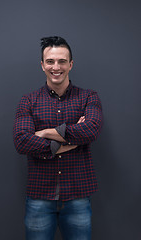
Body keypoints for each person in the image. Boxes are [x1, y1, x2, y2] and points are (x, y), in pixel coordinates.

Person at [13, 36, 103, 240]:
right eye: (50, 61)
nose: (56, 66)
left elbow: (92, 130)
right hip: (39, 196)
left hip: (78, 194)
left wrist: (45, 133)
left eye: (62, 61)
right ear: (42, 65)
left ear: (70, 64)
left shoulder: (89, 97)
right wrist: (71, 142)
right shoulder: (28, 100)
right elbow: (21, 141)